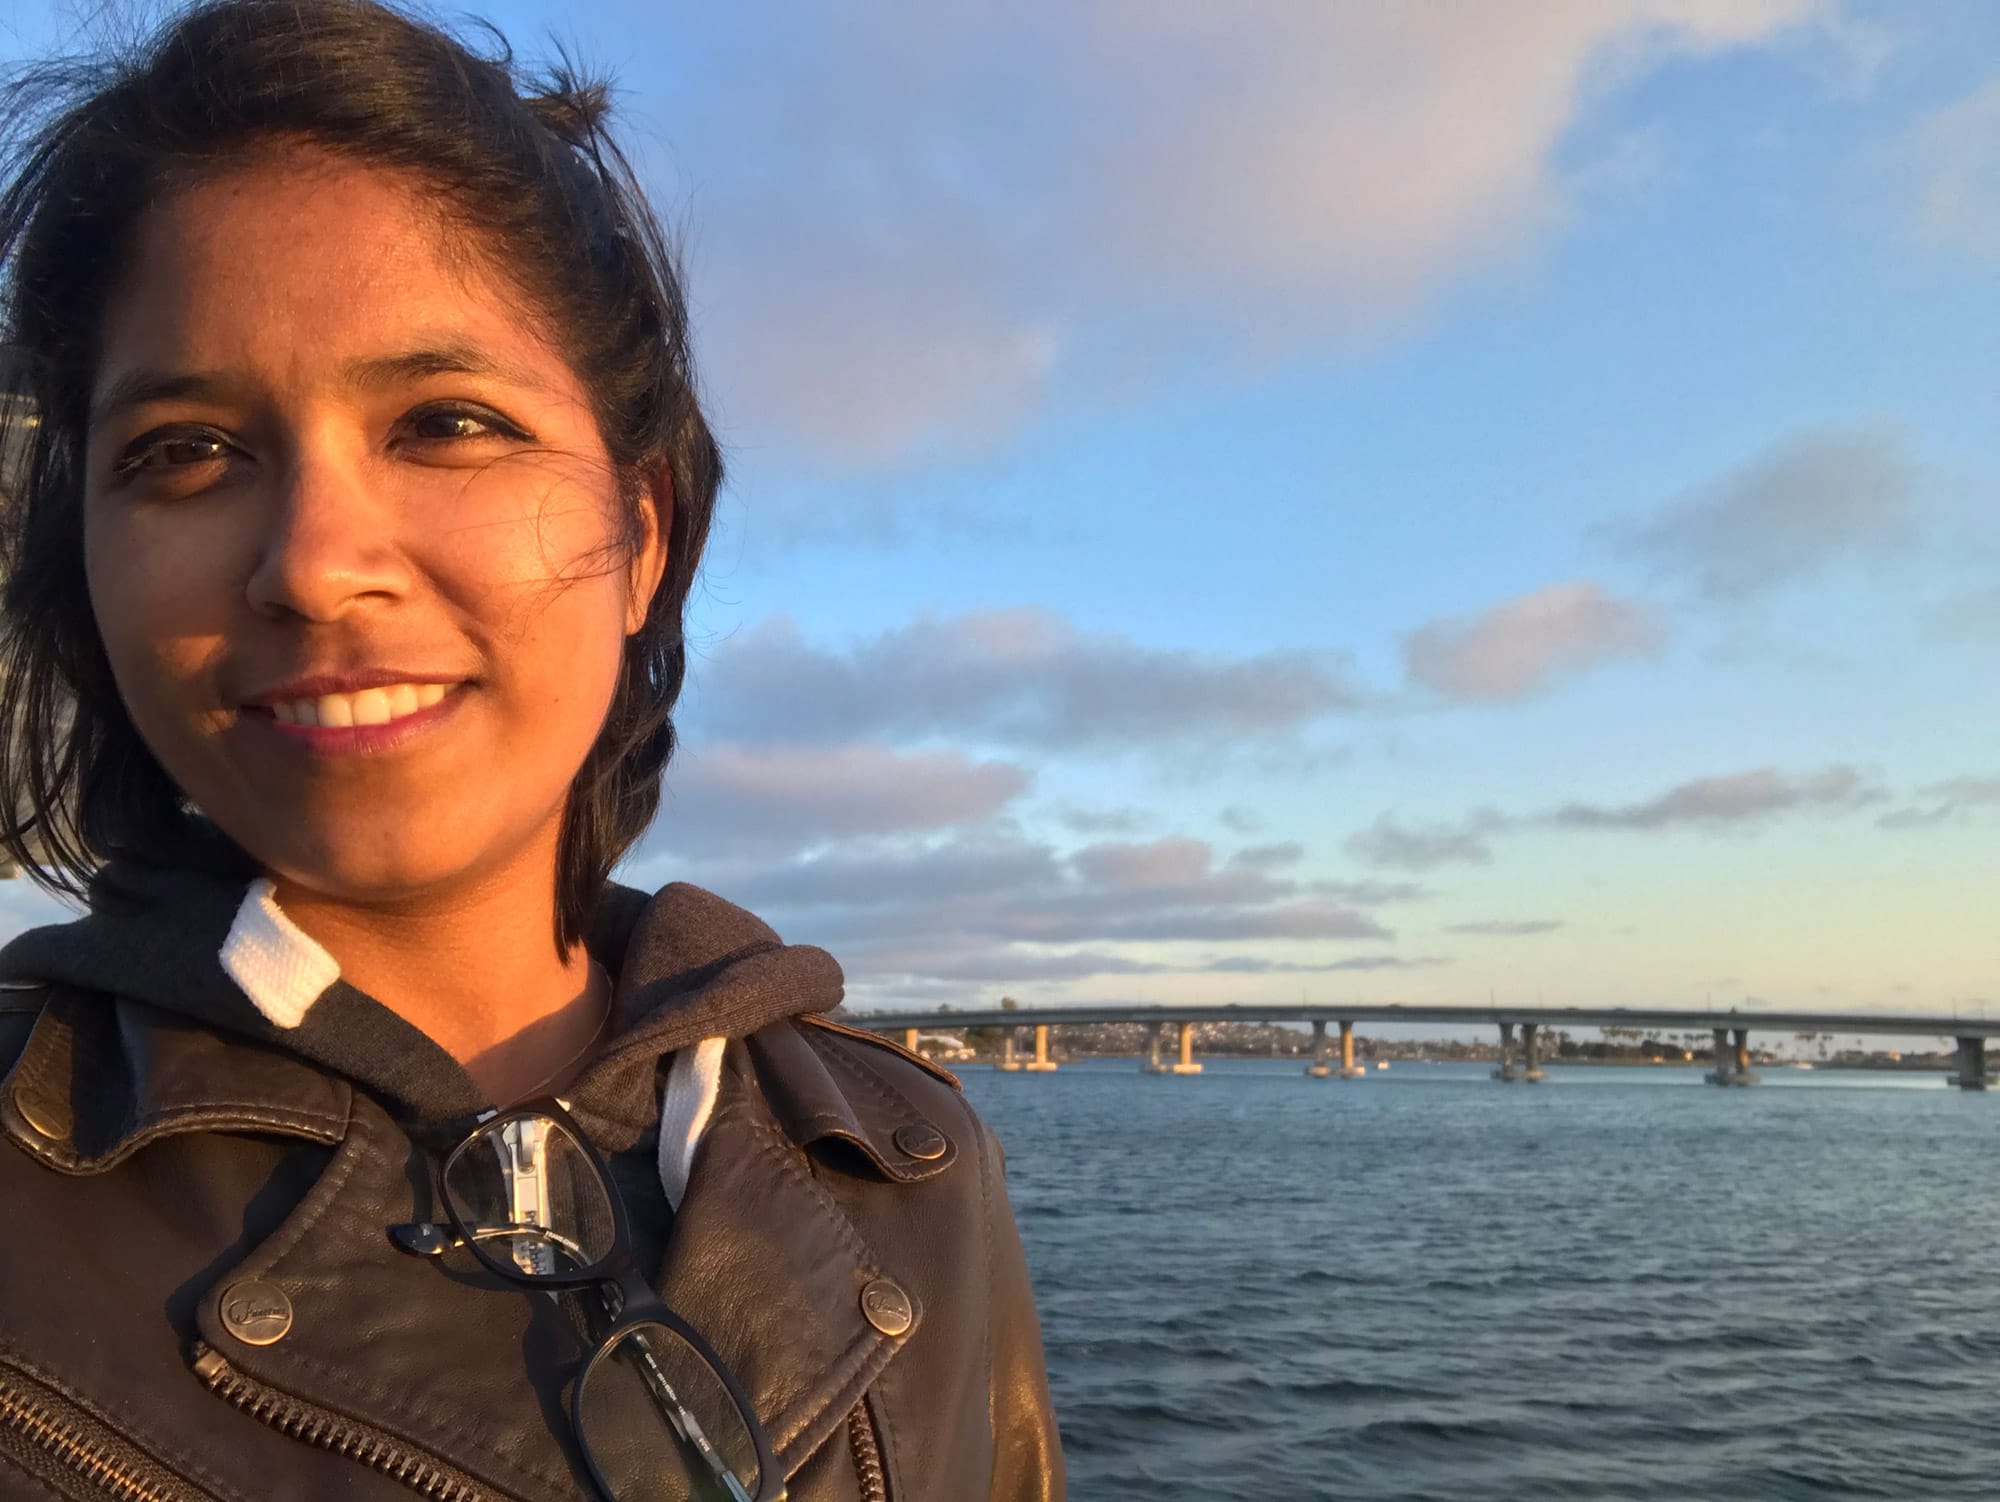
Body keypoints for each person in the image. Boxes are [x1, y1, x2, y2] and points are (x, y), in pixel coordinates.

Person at [0, 2, 1064, 1498]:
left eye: (443, 421)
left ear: (644, 532)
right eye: (187, 451)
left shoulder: (907, 1166)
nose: (313, 562)